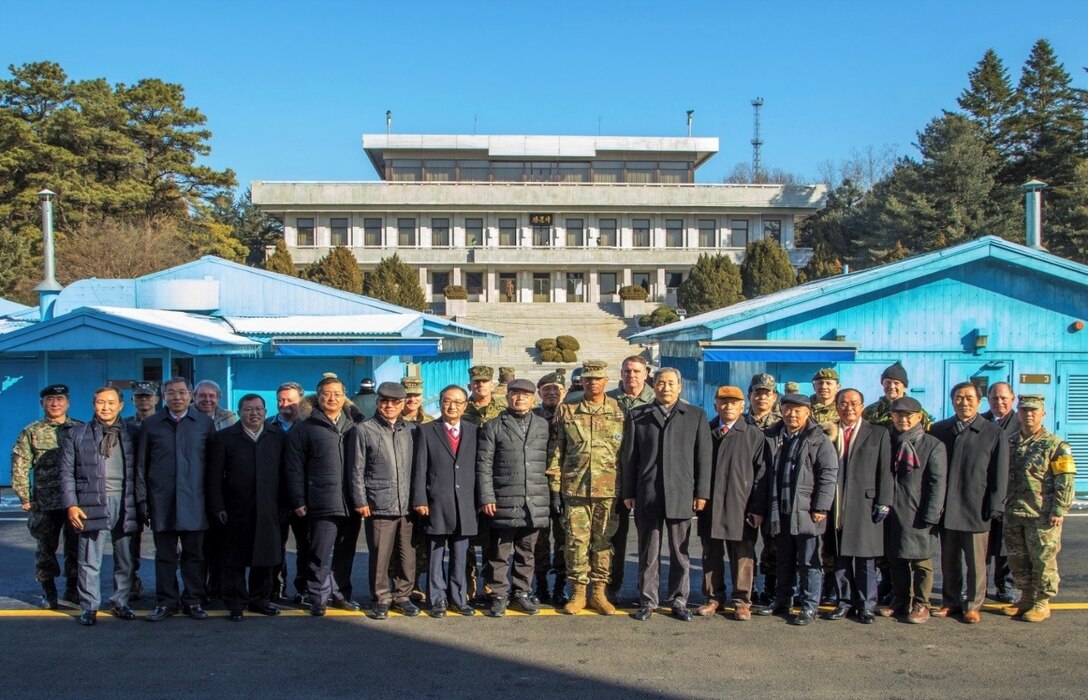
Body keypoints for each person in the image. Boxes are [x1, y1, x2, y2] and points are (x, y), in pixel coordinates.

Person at [622, 368, 712, 622]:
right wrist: (628, 491)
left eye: (671, 383)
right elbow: (630, 458)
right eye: (661, 383)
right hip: (648, 493)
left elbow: (703, 458)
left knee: (680, 552)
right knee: (648, 552)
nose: (666, 388)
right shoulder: (638, 415)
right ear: (654, 385)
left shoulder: (695, 415)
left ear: (680, 387)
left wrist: (701, 492)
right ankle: (648, 601)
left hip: (682, 492)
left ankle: (679, 600)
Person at [547, 360, 625, 615]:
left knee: (603, 542)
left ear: (606, 381)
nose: (592, 383)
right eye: (588, 378)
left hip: (608, 490)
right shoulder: (566, 411)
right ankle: (578, 592)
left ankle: (599, 592)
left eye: (597, 378)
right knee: (575, 542)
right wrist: (555, 489)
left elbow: (625, 453)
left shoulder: (618, 410)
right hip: (575, 489)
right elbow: (556, 452)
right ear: (581, 381)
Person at [137, 377, 216, 621]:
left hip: (196, 501)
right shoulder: (151, 424)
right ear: (163, 397)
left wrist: (215, 502)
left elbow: (214, 467)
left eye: (182, 392)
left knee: (195, 556)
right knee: (165, 556)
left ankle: (193, 600)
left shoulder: (203, 424)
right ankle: (167, 602)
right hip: (163, 503)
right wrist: (143, 501)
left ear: (190, 395)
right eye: (171, 393)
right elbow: (141, 466)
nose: (177, 397)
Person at [58, 386, 139, 626]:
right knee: (89, 559)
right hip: (91, 503)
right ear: (94, 405)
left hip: (126, 501)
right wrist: (71, 504)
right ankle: (89, 606)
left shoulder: (133, 433)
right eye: (101, 402)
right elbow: (66, 473)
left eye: (111, 403)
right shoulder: (77, 434)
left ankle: (120, 601)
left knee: (125, 559)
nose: (106, 407)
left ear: (121, 406)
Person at [756, 394, 838, 626]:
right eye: (788, 409)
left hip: (807, 511)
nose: (792, 414)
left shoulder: (818, 440)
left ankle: (810, 606)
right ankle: (783, 600)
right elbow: (762, 474)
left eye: (797, 410)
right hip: (779, 509)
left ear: (808, 413)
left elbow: (828, 474)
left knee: (810, 560)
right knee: (784, 559)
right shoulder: (773, 436)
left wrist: (821, 506)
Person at [930, 382, 1008, 624]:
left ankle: (973, 605)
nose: (964, 402)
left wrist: (996, 504)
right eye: (959, 398)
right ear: (952, 400)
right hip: (946, 507)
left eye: (969, 398)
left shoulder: (993, 432)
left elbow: (999, 472)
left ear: (979, 401)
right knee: (949, 560)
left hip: (976, 507)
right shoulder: (940, 429)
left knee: (976, 563)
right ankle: (951, 601)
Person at [284, 375, 358, 617]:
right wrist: (298, 500)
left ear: (344, 397)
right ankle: (317, 597)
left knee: (345, 554)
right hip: (320, 501)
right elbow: (293, 467)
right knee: (320, 553)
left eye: (337, 393)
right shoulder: (304, 427)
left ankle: (341, 594)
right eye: (327, 394)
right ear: (318, 397)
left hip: (351, 501)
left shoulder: (354, 425)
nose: (332, 398)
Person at [477, 379, 551, 617]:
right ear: (507, 397)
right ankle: (498, 594)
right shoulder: (493, 426)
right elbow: (484, 465)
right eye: (515, 394)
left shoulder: (542, 425)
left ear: (533, 399)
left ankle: (521, 593)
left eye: (525, 395)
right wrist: (486, 496)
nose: (520, 399)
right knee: (499, 552)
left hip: (535, 500)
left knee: (526, 552)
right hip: (503, 499)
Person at [207, 394, 284, 622]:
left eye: (259, 409)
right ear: (239, 412)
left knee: (266, 556)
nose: (254, 413)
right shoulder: (224, 438)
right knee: (234, 559)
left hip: (269, 507)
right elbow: (213, 478)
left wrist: (285, 505)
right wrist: (217, 505)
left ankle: (260, 600)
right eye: (249, 409)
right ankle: (236, 603)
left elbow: (286, 473)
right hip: (235, 508)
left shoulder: (276, 436)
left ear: (265, 410)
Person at [695, 385, 769, 621]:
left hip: (741, 505)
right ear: (715, 404)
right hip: (710, 504)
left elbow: (762, 475)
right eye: (723, 402)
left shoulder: (753, 435)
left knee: (743, 556)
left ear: (742, 406)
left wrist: (757, 507)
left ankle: (742, 601)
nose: (728, 407)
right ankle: (714, 597)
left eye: (733, 402)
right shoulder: (705, 431)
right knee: (711, 553)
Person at [1001, 394, 1076, 622]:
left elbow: (1066, 480)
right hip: (1014, 512)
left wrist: (1059, 510)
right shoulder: (1010, 441)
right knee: (1017, 558)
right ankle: (1025, 598)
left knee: (1043, 560)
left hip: (1042, 514)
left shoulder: (1056, 445)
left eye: (1034, 410)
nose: (1029, 414)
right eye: (1024, 410)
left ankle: (1042, 602)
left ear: (1043, 413)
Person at [822, 388, 892, 624]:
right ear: (837, 405)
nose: (848, 407)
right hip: (837, 501)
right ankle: (844, 602)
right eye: (843, 403)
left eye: (853, 403)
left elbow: (885, 471)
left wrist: (884, 501)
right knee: (840, 556)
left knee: (865, 558)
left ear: (862, 406)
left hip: (865, 502)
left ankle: (866, 604)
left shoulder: (878, 433)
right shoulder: (828, 432)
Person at [11, 384, 82, 609]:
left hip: (74, 501)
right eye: (50, 399)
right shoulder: (32, 431)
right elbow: (20, 465)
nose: (55, 403)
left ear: (68, 403)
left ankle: (73, 589)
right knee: (45, 548)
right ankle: (48, 592)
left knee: (77, 547)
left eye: (60, 399)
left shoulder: (79, 428)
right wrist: (25, 497)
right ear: (42, 403)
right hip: (45, 502)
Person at [412, 385, 479, 617]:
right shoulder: (427, 430)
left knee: (461, 555)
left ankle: (458, 599)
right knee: (436, 553)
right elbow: (420, 468)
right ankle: (437, 599)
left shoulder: (474, 431)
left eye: (458, 402)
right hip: (436, 501)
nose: (452, 406)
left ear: (465, 405)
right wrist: (420, 498)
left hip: (465, 504)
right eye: (447, 401)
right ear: (440, 403)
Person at [354, 381, 419, 620]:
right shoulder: (365, 429)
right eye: (384, 401)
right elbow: (356, 469)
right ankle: (381, 597)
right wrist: (361, 500)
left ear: (403, 404)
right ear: (377, 402)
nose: (388, 406)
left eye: (394, 402)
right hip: (379, 502)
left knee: (406, 555)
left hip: (408, 503)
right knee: (380, 554)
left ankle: (403, 596)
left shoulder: (411, 430)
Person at [879, 397, 947, 624]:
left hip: (918, 511)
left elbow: (937, 483)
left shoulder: (932, 444)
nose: (903, 419)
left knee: (921, 561)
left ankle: (921, 603)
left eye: (909, 415)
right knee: (895, 559)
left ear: (919, 417)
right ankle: (899, 600)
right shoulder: (887, 440)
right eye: (898, 415)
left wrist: (931, 514)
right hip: (892, 510)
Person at [605, 355, 656, 604]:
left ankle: (646, 590)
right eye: (627, 371)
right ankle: (611, 587)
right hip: (614, 476)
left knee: (649, 537)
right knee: (614, 536)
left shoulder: (658, 400)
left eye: (636, 371)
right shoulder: (610, 400)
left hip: (647, 477)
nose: (631, 375)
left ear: (646, 374)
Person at [462, 365, 506, 601]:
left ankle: (490, 581)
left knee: (493, 533)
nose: (480, 385)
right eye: (476, 382)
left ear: (492, 384)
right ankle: (468, 580)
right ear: (470, 385)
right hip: (467, 479)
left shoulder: (503, 410)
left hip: (494, 479)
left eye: (484, 381)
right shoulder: (461, 408)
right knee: (466, 533)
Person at [193, 379, 237, 600]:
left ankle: (218, 587)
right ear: (194, 397)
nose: (207, 400)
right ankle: (197, 589)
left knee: (221, 545)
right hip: (194, 489)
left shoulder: (229, 419)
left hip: (223, 490)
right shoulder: (188, 418)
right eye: (202, 396)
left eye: (212, 396)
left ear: (218, 398)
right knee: (198, 547)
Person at [267, 381, 310, 604]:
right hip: (275, 498)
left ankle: (302, 588)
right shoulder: (267, 426)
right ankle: (276, 588)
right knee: (275, 546)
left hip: (303, 499)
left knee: (305, 547)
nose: (284, 405)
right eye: (280, 400)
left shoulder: (309, 426)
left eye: (290, 400)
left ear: (300, 401)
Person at [532, 371, 568, 606]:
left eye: (556, 389)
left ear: (564, 392)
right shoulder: (533, 417)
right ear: (539, 393)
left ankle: (561, 588)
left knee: (565, 540)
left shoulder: (573, 415)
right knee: (539, 541)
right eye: (546, 389)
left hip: (567, 488)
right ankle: (541, 586)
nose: (552, 393)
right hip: (538, 487)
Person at [744, 372, 780, 605]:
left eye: (766, 394)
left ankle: (772, 587)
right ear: (750, 396)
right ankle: (749, 588)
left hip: (773, 492)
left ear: (774, 397)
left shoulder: (782, 423)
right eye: (757, 393)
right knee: (746, 546)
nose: (761, 398)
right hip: (745, 492)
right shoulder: (741, 421)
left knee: (774, 544)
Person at [982, 381, 1019, 603]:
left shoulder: (1021, 423)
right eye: (994, 398)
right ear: (988, 400)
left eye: (1004, 398)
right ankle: (980, 587)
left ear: (1012, 399)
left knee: (1007, 543)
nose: (999, 402)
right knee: (983, 544)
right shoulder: (981, 422)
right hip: (984, 493)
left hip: (1012, 493)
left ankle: (1005, 585)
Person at [125, 380, 158, 600]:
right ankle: (131, 583)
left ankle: (168, 584)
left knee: (167, 543)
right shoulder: (125, 426)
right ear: (132, 400)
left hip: (158, 490)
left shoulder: (164, 423)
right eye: (139, 396)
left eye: (148, 396)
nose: (143, 400)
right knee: (130, 541)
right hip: (130, 489)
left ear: (157, 399)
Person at [863, 361, 933, 430]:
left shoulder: (916, 411)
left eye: (896, 383)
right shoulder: (869, 411)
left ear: (904, 386)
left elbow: (928, 435)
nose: (892, 386)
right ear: (883, 384)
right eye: (888, 382)